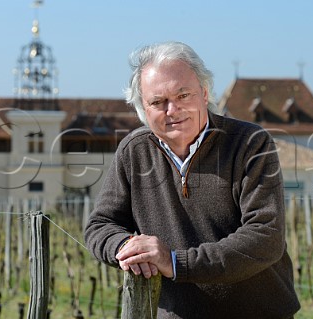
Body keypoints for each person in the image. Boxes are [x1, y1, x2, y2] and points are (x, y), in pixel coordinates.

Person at [84, 41, 300, 318]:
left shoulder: (250, 144)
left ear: (205, 93)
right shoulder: (133, 151)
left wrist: (175, 263)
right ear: (143, 110)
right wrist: (126, 248)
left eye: (183, 95)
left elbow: (265, 236)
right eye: (157, 102)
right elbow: (100, 225)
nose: (172, 110)